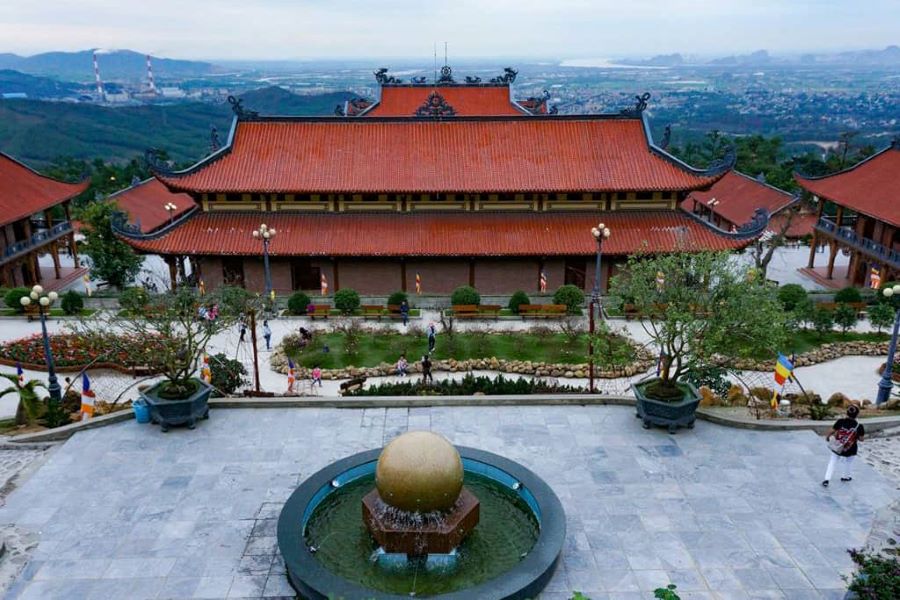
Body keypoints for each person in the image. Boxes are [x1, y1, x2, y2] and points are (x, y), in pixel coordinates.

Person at [823, 404, 865, 487]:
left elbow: (832, 430)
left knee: (833, 461)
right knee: (848, 462)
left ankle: (826, 479)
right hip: (850, 448)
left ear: (847, 412)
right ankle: (845, 477)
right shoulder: (859, 426)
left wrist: (828, 437)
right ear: (857, 414)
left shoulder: (840, 421)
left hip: (838, 446)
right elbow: (861, 439)